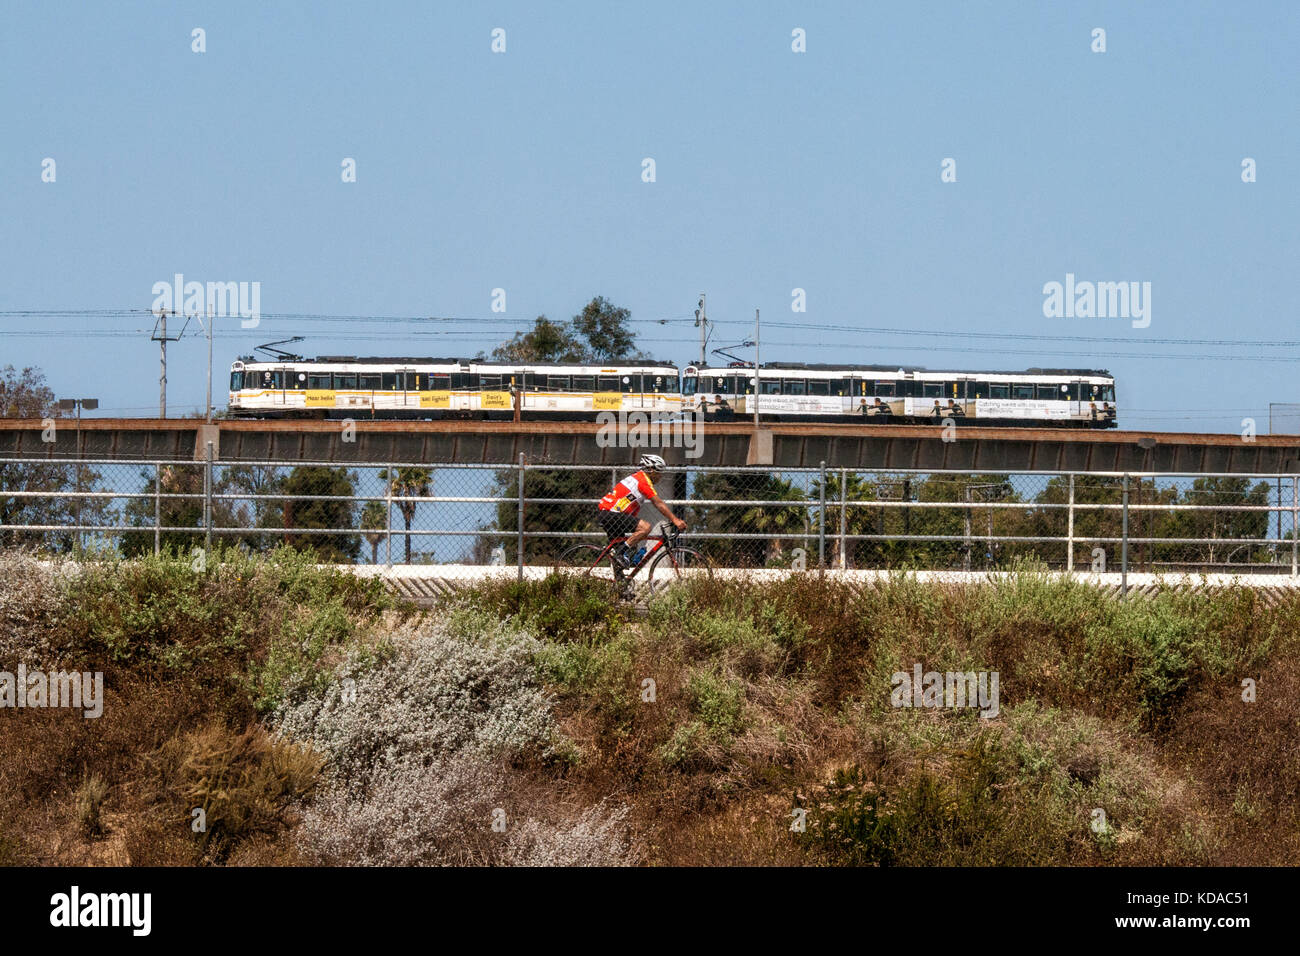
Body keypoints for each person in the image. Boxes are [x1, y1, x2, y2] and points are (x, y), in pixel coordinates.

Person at [597, 454, 687, 569]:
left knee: (620, 559)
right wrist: (675, 520)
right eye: (658, 472)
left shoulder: (637, 478)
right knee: (645, 527)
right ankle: (620, 553)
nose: (660, 476)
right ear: (650, 470)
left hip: (609, 514)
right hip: (611, 514)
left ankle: (619, 584)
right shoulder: (643, 481)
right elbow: (658, 503)